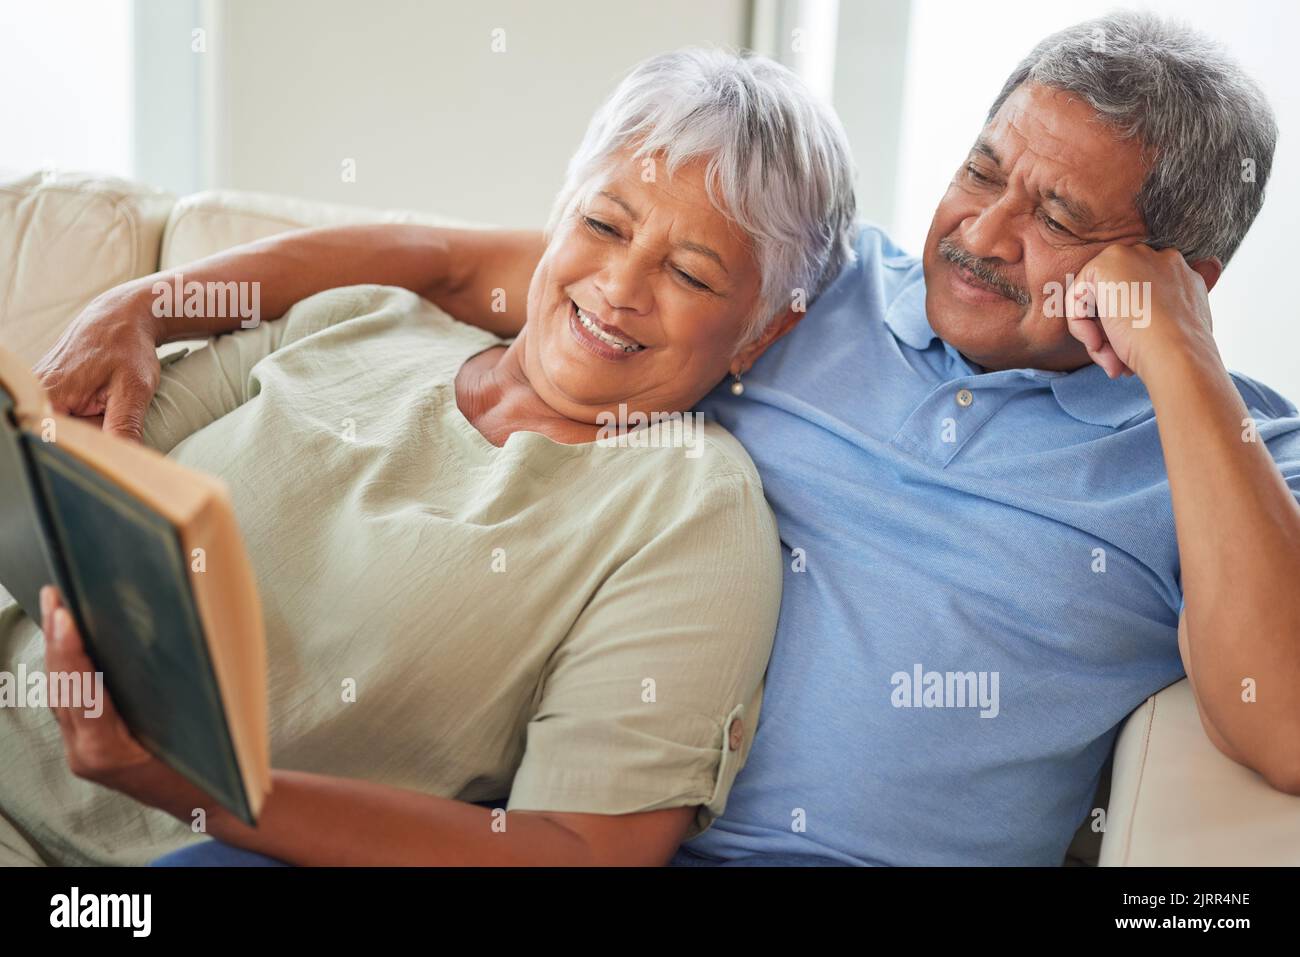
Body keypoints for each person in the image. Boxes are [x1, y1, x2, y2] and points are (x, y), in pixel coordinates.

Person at [0, 48, 859, 866]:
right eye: (604, 224)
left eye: (692, 276)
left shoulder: (693, 512)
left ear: (765, 329)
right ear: (558, 213)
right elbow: (66, 478)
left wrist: (196, 788)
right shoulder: (365, 317)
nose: (620, 288)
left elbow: (584, 847)